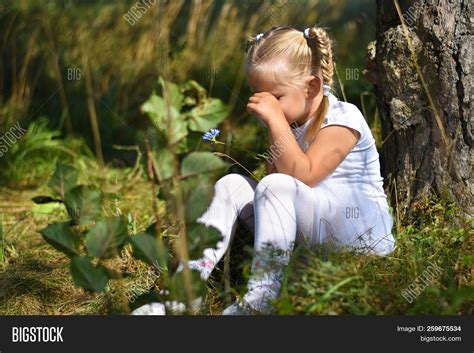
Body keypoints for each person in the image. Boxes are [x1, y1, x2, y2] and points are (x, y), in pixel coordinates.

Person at [131, 25, 395, 316]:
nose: (265, 104)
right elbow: (275, 177)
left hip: (357, 238)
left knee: (275, 186)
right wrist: (277, 122)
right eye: (259, 95)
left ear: (311, 88)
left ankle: (261, 300)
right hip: (310, 237)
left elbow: (303, 176)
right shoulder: (289, 121)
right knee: (232, 183)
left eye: (275, 97)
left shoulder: (344, 118)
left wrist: (275, 121)